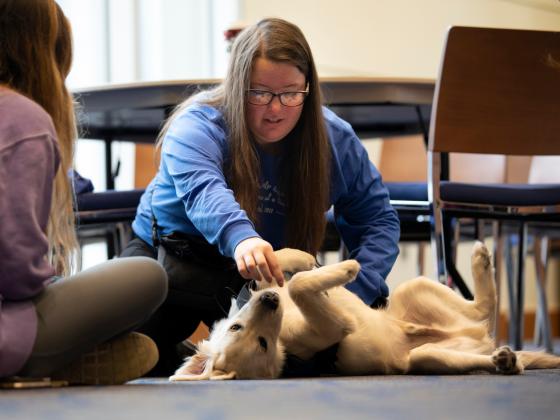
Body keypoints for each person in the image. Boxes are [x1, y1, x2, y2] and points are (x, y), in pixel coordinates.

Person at [121, 17, 400, 376]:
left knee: (310, 365)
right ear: (237, 87)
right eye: (259, 93)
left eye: (291, 93)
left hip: (261, 274)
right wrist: (242, 239)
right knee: (137, 350)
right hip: (175, 260)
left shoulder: (335, 140)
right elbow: (204, 191)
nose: (275, 109)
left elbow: (377, 219)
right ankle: (183, 353)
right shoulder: (196, 125)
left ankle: (199, 355)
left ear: (309, 88)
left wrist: (356, 291)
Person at [0, 0, 168, 385]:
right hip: (9, 332)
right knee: (148, 274)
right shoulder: (24, 119)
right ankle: (55, 359)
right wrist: (47, 279)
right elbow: (15, 276)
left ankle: (68, 357)